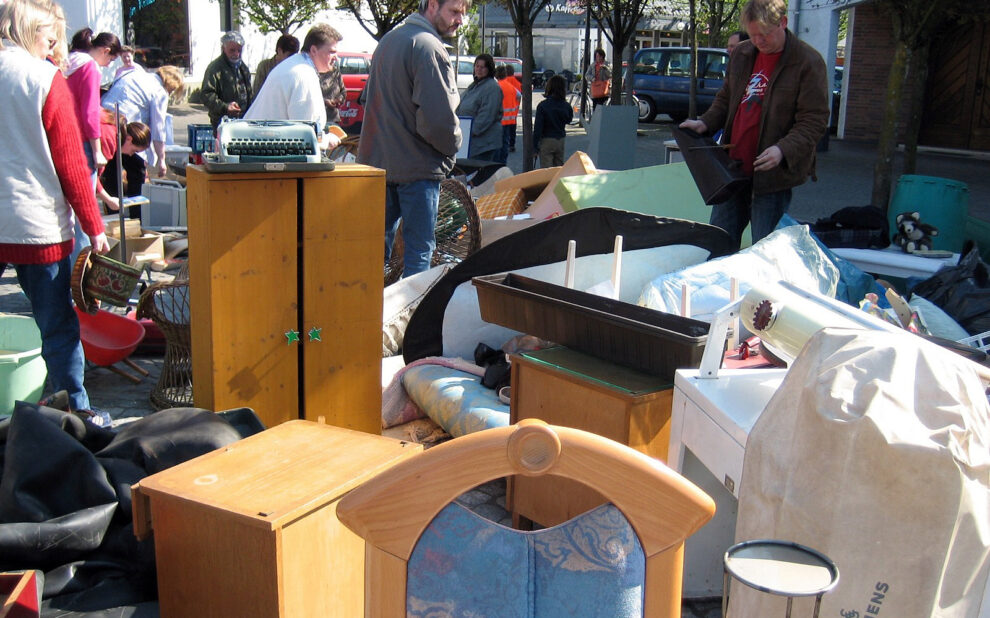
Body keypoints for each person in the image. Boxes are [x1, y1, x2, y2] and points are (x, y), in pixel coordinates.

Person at [0, 0, 110, 414]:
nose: (54, 47)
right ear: (29, 30)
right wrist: (94, 225)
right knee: (58, 328)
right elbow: (70, 163)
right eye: (49, 37)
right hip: (36, 223)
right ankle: (77, 411)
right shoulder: (43, 77)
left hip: (21, 216)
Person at [679, 0, 828, 248]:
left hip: (772, 178)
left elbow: (814, 120)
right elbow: (727, 98)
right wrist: (705, 123)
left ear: (783, 22)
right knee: (718, 245)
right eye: (753, 34)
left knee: (764, 253)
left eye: (765, 34)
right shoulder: (742, 52)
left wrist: (783, 149)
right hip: (731, 170)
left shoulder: (808, 62)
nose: (759, 41)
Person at [357, 0, 465, 278]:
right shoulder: (427, 47)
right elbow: (438, 121)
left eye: (462, 13)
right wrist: (452, 148)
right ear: (432, 5)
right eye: (454, 11)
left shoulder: (389, 41)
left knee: (372, 251)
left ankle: (368, 314)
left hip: (381, 165)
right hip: (416, 169)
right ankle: (410, 319)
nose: (460, 20)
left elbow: (369, 101)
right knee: (419, 253)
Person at [243, 24, 343, 150]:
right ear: (313, 50)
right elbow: (304, 133)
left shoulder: (295, 65)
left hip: (259, 147)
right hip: (266, 154)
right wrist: (327, 139)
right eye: (332, 52)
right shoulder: (303, 74)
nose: (336, 58)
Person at [101, 64, 185, 191]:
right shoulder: (159, 91)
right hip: (126, 127)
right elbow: (158, 127)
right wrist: (161, 159)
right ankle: (137, 208)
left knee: (111, 171)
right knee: (137, 170)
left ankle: (113, 207)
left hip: (105, 119)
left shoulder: (136, 74)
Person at [95, 109, 151, 212]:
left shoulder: (118, 126)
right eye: (134, 150)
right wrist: (108, 200)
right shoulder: (110, 140)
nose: (130, 155)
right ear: (129, 139)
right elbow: (92, 178)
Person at [200, 31, 252, 129]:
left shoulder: (243, 68)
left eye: (239, 50)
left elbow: (249, 93)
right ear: (224, 49)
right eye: (232, 50)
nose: (236, 54)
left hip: (244, 121)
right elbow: (206, 95)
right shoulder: (215, 68)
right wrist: (225, 107)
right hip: (222, 123)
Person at [456, 54, 502, 161]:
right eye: (477, 66)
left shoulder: (492, 88)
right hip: (471, 142)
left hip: (484, 145)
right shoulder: (475, 85)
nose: (479, 69)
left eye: (483, 67)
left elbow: (486, 117)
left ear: (489, 69)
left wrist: (467, 132)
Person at [533, 74, 572, 168]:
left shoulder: (543, 106)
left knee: (547, 172)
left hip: (546, 139)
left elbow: (538, 128)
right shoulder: (566, 106)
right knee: (558, 169)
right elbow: (569, 120)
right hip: (560, 139)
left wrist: (535, 147)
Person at [496, 64, 520, 164]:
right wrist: (515, 109)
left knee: (497, 144)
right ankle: (503, 163)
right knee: (505, 142)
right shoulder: (510, 86)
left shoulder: (497, 86)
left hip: (499, 119)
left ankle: (496, 164)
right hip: (510, 119)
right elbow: (518, 96)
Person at [318, 47, 346, 128]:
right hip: (319, 120)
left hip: (334, 119)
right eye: (331, 53)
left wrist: (339, 99)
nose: (335, 58)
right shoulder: (313, 73)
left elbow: (343, 91)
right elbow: (309, 97)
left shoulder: (335, 72)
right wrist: (326, 102)